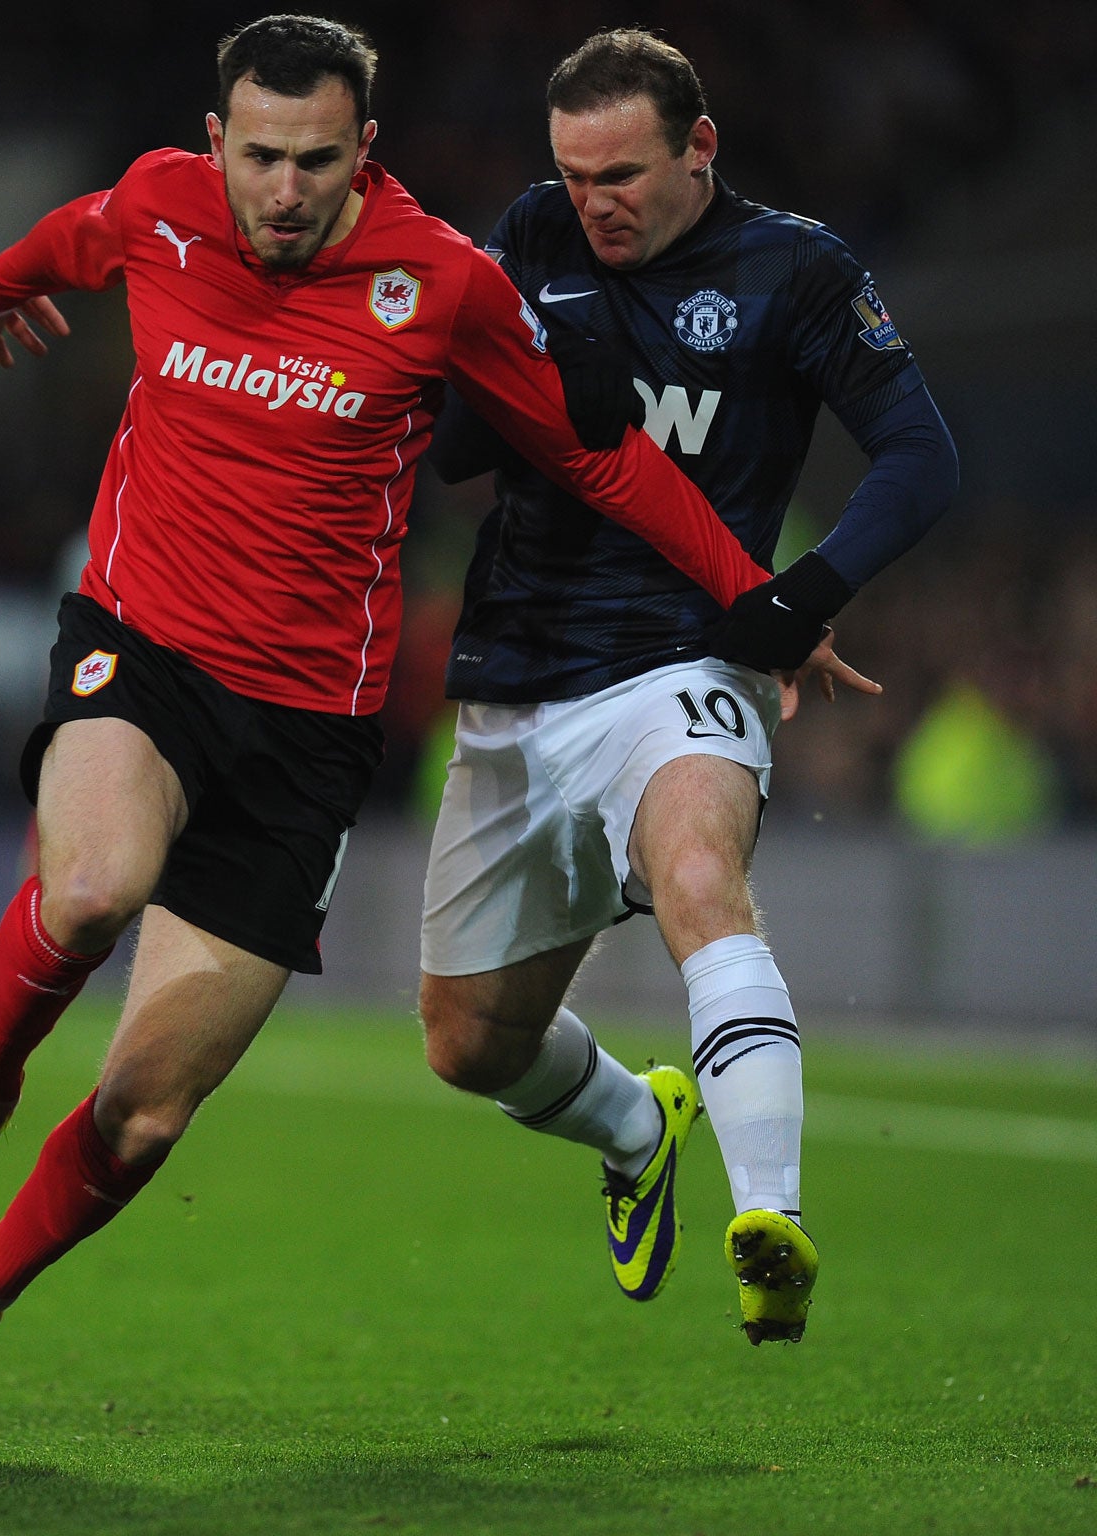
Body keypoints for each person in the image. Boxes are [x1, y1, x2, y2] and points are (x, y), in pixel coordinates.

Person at [0, 16, 854, 1451]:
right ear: (217, 145)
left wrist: (759, 597)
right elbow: (60, 242)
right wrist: (2, 292)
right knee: (91, 885)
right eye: (260, 156)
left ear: (360, 152)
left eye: (317, 160)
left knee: (143, 1118)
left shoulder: (442, 285)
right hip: (144, 646)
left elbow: (595, 453)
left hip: (307, 733)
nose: (285, 190)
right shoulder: (159, 205)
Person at [416, 30, 957, 1345]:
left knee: (702, 880)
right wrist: (534, 358)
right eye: (574, 171)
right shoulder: (535, 234)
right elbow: (450, 447)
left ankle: (770, 1220)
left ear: (699, 149)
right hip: (515, 679)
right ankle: (632, 1117)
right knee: (468, 1046)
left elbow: (918, 457)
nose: (596, 199)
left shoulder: (796, 268)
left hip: (682, 660)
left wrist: (799, 598)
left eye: (625, 172)